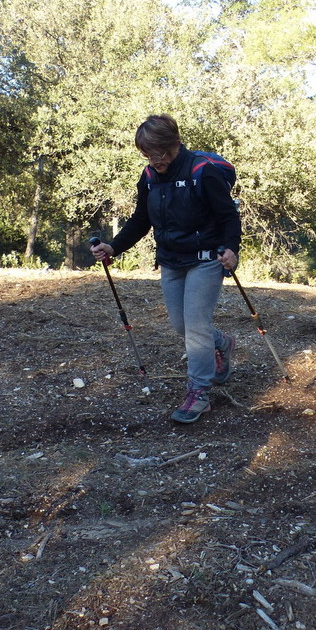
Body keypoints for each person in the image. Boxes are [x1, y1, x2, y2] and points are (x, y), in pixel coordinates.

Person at [91, 114, 241, 424]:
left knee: (196, 327)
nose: (154, 160)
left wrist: (231, 249)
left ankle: (199, 392)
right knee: (181, 326)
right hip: (171, 261)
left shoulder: (203, 171)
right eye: (147, 154)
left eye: (159, 153)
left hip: (205, 259)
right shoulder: (149, 176)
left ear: (173, 144)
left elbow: (228, 216)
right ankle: (222, 343)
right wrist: (114, 247)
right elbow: (140, 220)